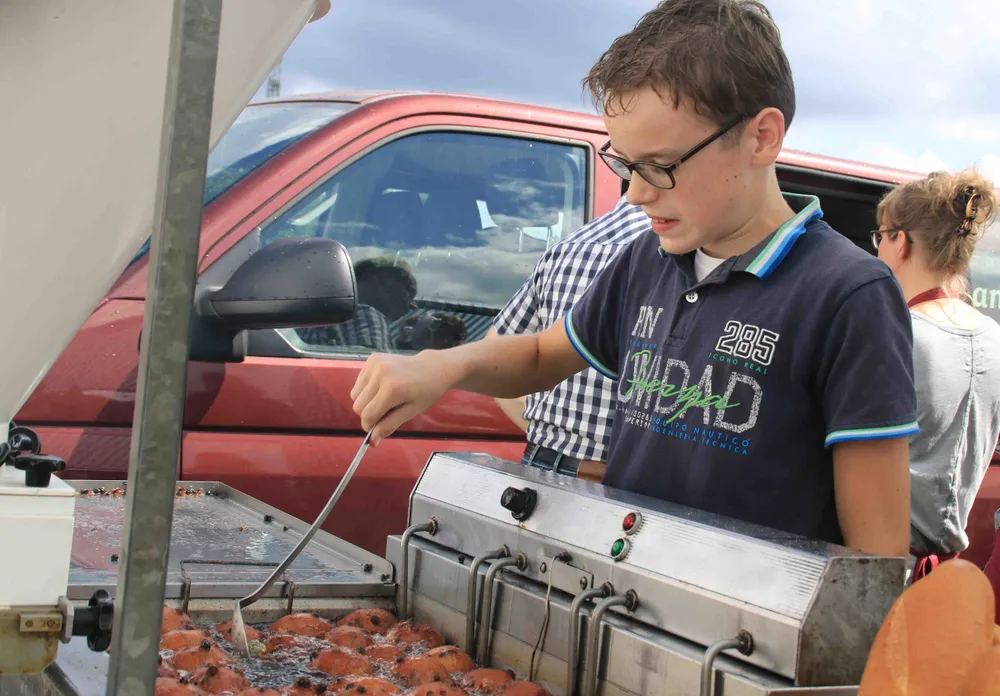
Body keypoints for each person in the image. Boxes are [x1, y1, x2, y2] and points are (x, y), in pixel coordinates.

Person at [350, 0, 918, 557]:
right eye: (624, 164)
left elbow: (876, 554)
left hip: (748, 612)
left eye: (660, 166)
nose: (636, 194)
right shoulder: (646, 258)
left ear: (762, 137)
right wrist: (443, 365)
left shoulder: (848, 295)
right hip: (625, 589)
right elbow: (543, 356)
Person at [872, 169, 1000, 581]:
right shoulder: (994, 337)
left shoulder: (896, 334)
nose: (878, 249)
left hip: (874, 566)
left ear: (901, 242)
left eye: (880, 236)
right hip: (942, 577)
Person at [490, 197, 649, 482]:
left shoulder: (570, 246)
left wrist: (558, 439)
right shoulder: (695, 253)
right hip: (631, 482)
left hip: (543, 463)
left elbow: (496, 360)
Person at [298, 258, 417, 351]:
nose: (413, 304)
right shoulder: (364, 315)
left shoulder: (314, 317)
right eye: (410, 291)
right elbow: (376, 370)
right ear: (381, 280)